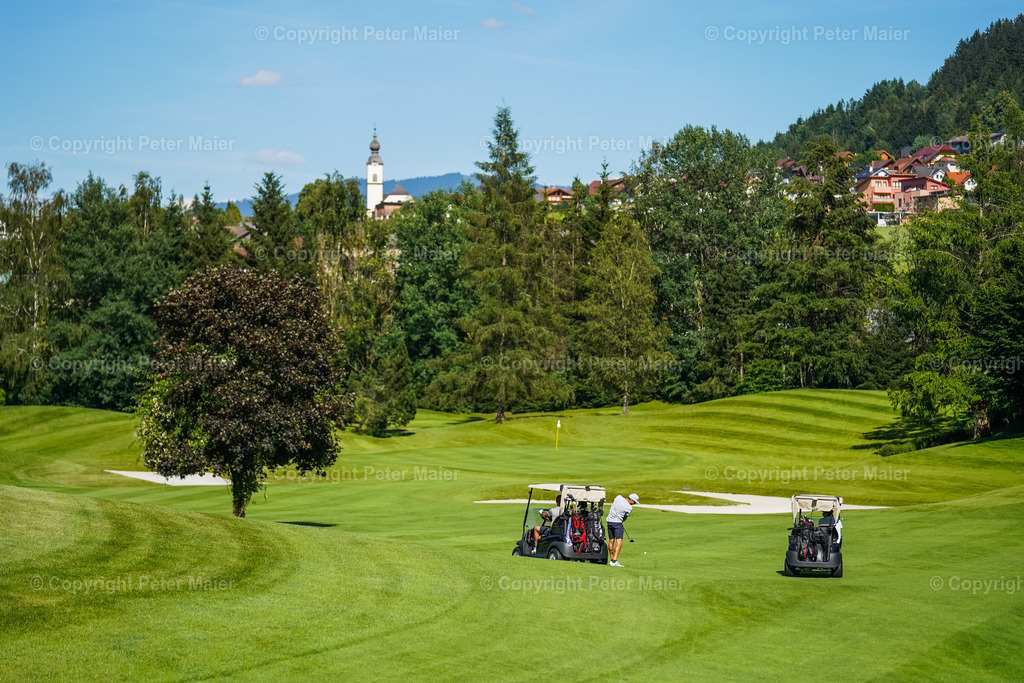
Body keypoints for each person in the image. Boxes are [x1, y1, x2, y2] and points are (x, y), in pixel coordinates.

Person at [605, 493, 638, 567]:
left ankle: (611, 560)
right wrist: (621, 521)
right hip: (617, 524)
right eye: (634, 502)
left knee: (611, 541)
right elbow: (624, 518)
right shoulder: (629, 508)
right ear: (631, 500)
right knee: (619, 542)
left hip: (609, 522)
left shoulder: (618, 497)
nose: (634, 504)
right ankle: (614, 561)